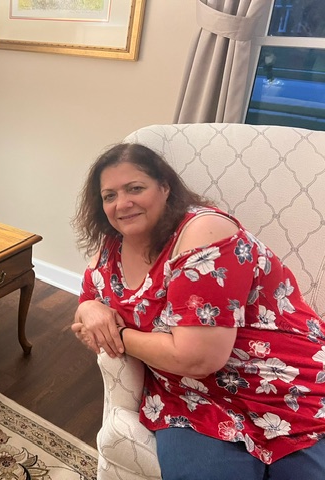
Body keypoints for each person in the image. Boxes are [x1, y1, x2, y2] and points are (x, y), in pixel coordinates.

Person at [71, 143, 325, 479]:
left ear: (165, 187)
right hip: (189, 398)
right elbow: (85, 305)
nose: (122, 203)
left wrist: (116, 334)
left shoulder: (204, 231)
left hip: (281, 384)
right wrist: (90, 309)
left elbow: (198, 358)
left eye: (135, 188)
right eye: (110, 196)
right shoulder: (111, 246)